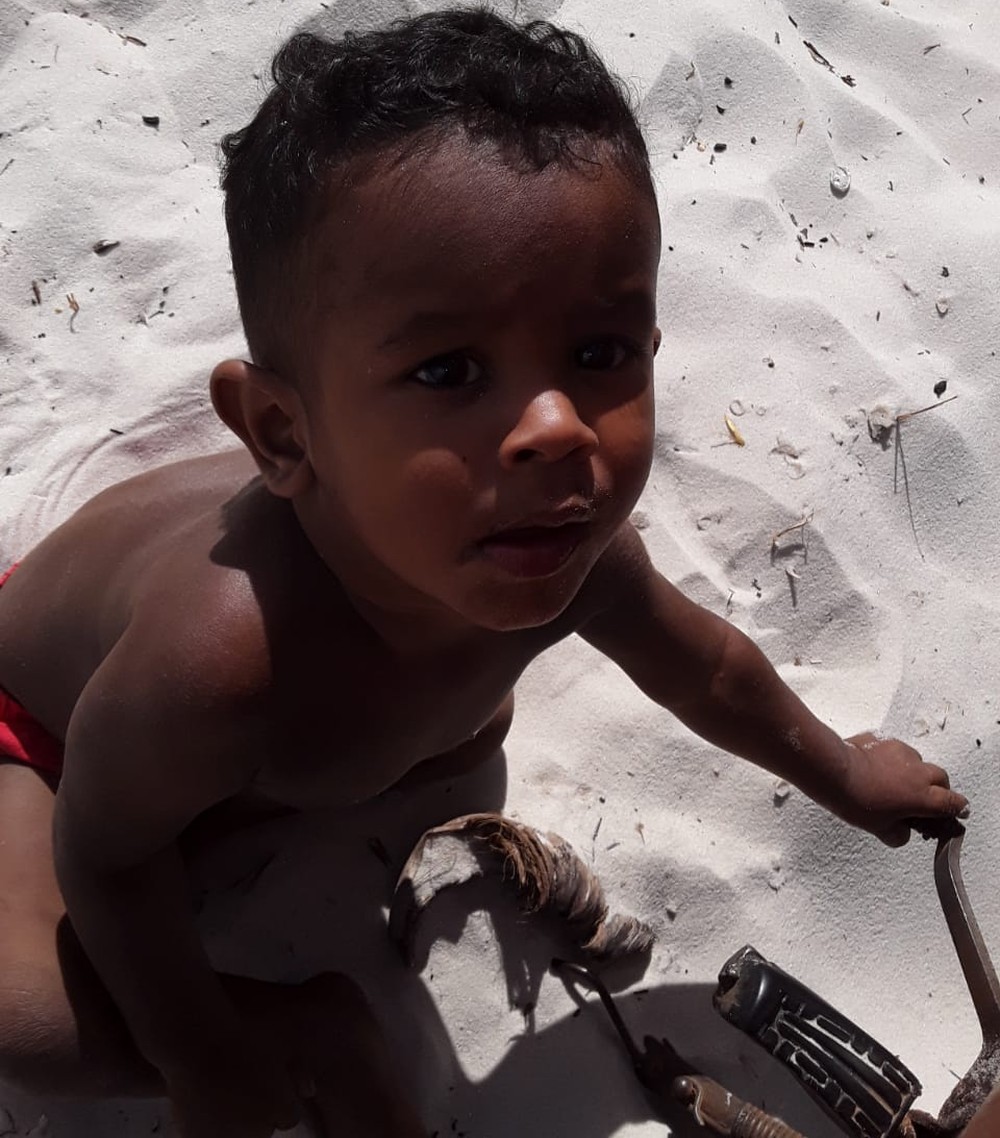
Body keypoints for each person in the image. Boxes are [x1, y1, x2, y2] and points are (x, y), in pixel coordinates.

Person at [0, 8, 969, 1137]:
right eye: (450, 371)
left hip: (272, 696)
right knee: (26, 1021)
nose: (556, 427)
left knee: (441, 727)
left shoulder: (555, 542)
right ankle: (309, 1024)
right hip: (52, 737)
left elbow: (704, 670)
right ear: (280, 433)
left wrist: (845, 775)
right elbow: (106, 854)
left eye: (598, 354)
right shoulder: (216, 660)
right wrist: (201, 1049)